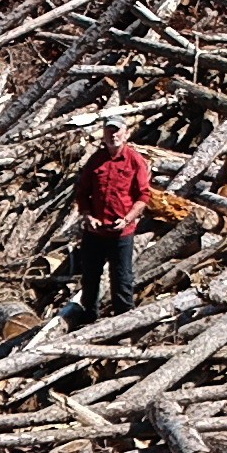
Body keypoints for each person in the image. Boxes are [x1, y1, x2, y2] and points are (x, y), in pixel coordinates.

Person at [71, 123, 149, 320]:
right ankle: (88, 321)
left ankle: (122, 325)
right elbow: (81, 193)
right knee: (90, 278)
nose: (113, 135)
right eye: (109, 131)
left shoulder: (135, 161)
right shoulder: (96, 160)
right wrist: (88, 215)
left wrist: (128, 218)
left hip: (121, 232)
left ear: (126, 134)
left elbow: (143, 197)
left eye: (117, 131)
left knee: (122, 280)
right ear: (104, 135)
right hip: (95, 231)